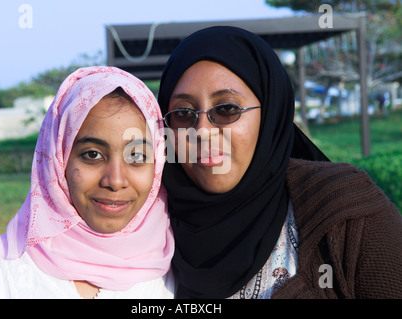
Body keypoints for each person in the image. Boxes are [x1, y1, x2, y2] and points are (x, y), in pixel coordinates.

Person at [157, 26, 402, 299]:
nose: (201, 131)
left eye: (226, 109)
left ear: (271, 113)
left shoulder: (345, 217)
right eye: (182, 113)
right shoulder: (145, 229)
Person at [0, 66, 174, 299]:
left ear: (157, 163)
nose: (115, 181)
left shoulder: (178, 280)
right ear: (58, 160)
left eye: (136, 156)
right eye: (92, 154)